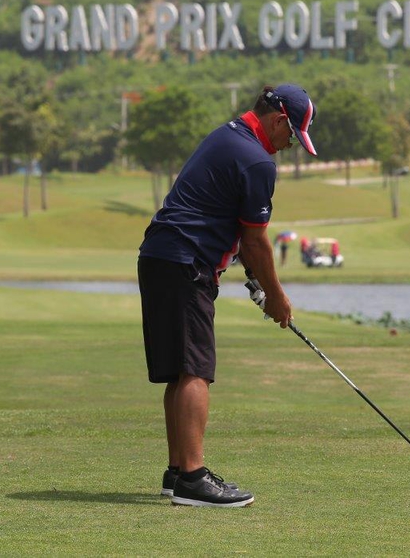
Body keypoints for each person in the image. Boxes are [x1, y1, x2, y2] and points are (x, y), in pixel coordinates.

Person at [137, 84, 318, 508]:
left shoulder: (227, 134)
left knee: (180, 370)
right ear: (279, 120)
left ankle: (178, 472)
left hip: (161, 256)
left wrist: (254, 278)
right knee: (196, 370)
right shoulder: (257, 160)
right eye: (292, 137)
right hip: (186, 263)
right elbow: (255, 241)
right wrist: (277, 297)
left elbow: (229, 223)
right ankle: (193, 479)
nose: (289, 146)